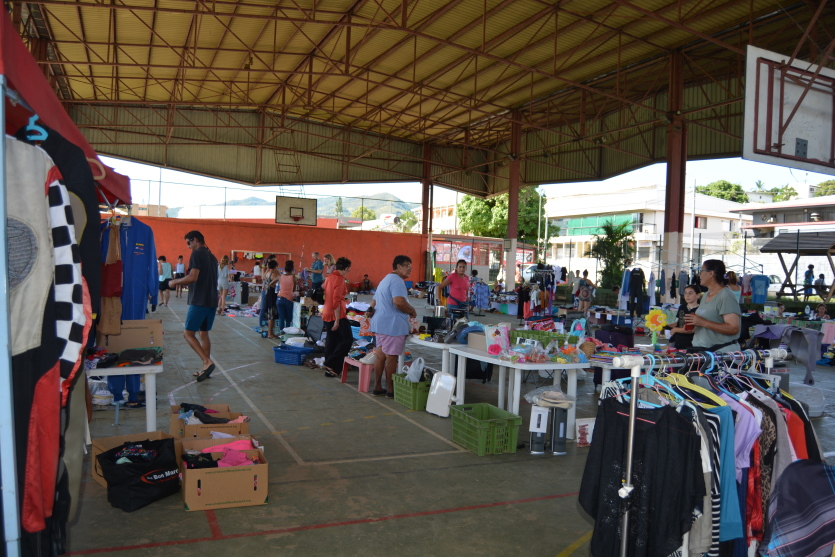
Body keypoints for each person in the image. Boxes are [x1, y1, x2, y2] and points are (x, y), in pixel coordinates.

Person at [168, 230, 219, 382]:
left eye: (188, 243)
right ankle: (205, 368)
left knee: (188, 334)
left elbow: (193, 277)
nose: (188, 246)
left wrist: (174, 282)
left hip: (199, 301)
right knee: (204, 333)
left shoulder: (197, 254)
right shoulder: (212, 256)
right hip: (212, 300)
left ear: (195, 239)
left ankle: (207, 361)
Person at [370, 255, 417, 397]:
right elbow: (398, 302)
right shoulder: (397, 281)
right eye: (407, 265)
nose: (410, 269)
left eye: (411, 266)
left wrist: (369, 310)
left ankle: (378, 386)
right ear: (398, 267)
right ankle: (391, 390)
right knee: (391, 357)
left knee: (380, 356)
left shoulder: (385, 279)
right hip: (392, 325)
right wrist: (412, 310)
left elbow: (373, 301)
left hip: (380, 323)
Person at [684, 259, 741, 353]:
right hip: (703, 352)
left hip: (721, 354)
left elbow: (733, 328)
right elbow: (707, 323)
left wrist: (702, 322)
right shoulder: (706, 295)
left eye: (702, 271)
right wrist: (694, 324)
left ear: (711, 273)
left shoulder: (726, 296)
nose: (699, 274)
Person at [321, 257, 352, 377]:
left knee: (332, 341)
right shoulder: (339, 279)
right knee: (347, 340)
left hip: (327, 312)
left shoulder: (329, 277)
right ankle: (330, 363)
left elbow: (325, 291)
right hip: (336, 314)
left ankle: (329, 370)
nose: (349, 271)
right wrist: (337, 320)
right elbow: (336, 301)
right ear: (346, 268)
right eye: (349, 269)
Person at [668, 285, 701, 349]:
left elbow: (693, 329)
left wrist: (675, 329)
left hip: (691, 342)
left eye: (690, 293)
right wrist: (665, 326)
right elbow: (679, 322)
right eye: (685, 293)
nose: (687, 295)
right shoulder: (682, 307)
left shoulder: (700, 310)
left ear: (698, 295)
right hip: (676, 339)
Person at [262, 260, 280, 339]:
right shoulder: (274, 274)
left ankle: (269, 332)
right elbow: (277, 283)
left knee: (269, 314)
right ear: (275, 266)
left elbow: (263, 279)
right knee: (271, 315)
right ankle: (270, 333)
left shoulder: (267, 273)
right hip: (272, 295)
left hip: (267, 294)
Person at [277, 260, 297, 332]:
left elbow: (277, 286)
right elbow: (293, 289)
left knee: (281, 318)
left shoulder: (280, 276)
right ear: (292, 269)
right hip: (288, 299)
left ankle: (281, 332)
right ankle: (287, 332)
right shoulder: (293, 278)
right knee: (288, 318)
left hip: (280, 298)